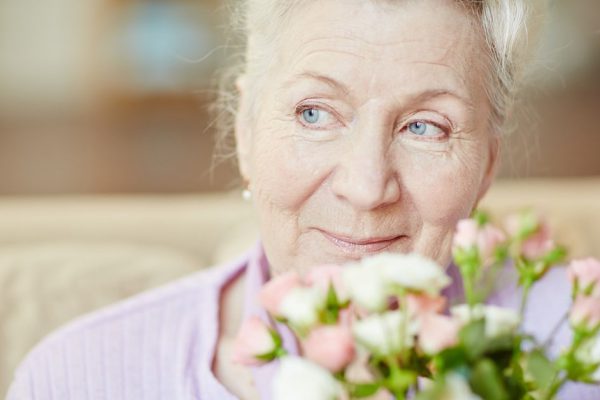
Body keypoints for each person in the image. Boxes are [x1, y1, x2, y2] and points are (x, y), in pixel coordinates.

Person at [7, 0, 599, 399]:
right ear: (244, 129)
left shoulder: (576, 351)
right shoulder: (78, 377)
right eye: (314, 114)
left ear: (488, 163)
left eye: (426, 126)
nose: (367, 188)